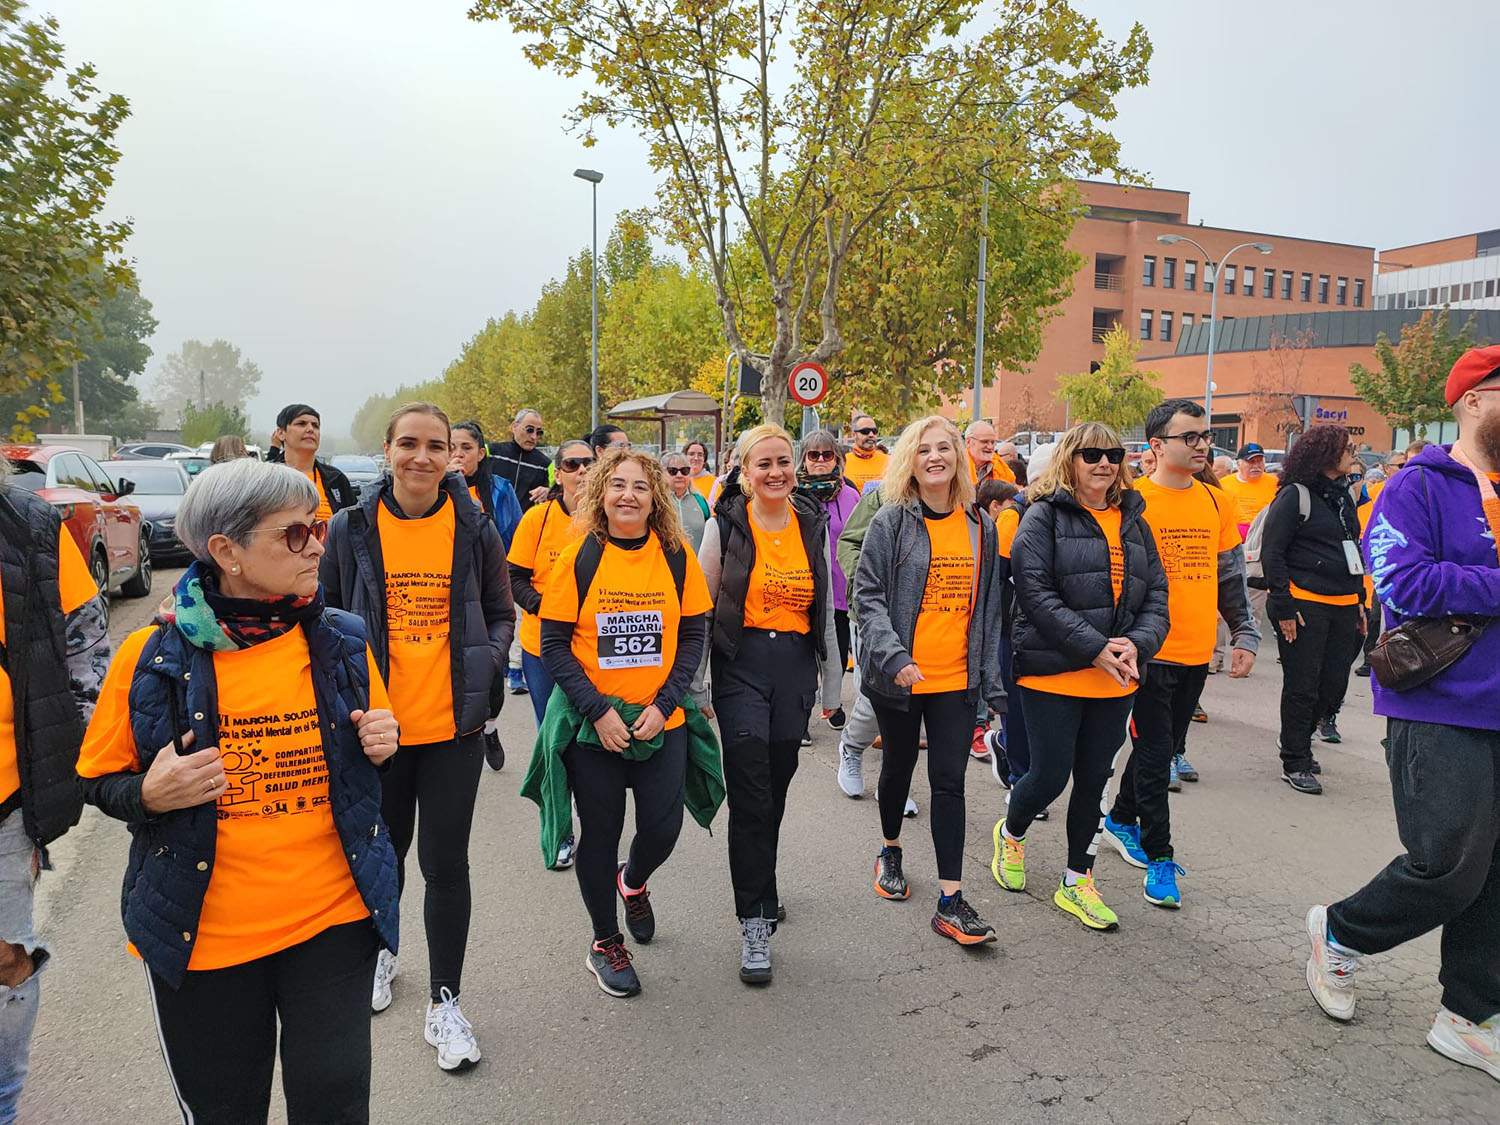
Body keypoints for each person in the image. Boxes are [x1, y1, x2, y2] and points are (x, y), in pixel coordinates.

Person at [76, 459, 399, 1121]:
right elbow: (97, 780)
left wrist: (382, 744)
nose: (318, 544)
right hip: (205, 938)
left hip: (332, 921)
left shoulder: (343, 641)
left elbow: (364, 765)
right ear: (227, 551)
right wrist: (148, 792)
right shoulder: (149, 657)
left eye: (318, 528)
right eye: (294, 535)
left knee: (336, 1108)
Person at [1305, 345, 1500, 1082]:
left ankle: (1468, 1013)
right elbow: (1404, 582)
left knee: (1498, 872)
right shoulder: (1417, 484)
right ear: (1475, 399)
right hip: (1441, 702)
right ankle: (1341, 931)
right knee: (1448, 862)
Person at [322, 403, 514, 1073]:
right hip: (375, 733)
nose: (423, 457)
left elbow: (500, 609)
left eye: (438, 445)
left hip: (451, 728)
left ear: (455, 457)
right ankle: (383, 952)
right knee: (384, 855)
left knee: (446, 863)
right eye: (410, 443)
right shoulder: (351, 528)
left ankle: (446, 1002)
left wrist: (488, 659)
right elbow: (323, 619)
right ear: (388, 449)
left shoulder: (473, 526)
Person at [533, 449, 716, 999]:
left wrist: (664, 705)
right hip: (597, 728)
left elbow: (692, 636)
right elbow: (554, 646)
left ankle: (631, 881)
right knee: (600, 833)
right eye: (617, 485)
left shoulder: (676, 555)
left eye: (640, 486)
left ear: (655, 496)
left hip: (664, 718)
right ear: (601, 494)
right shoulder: (579, 556)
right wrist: (600, 712)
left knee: (663, 828)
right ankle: (604, 941)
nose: (628, 495)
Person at [996, 424, 1169, 931]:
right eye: (1092, 454)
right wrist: (1094, 649)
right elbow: (1034, 594)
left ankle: (1077, 880)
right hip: (1053, 672)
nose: (1104, 463)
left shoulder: (1135, 521)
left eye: (1113, 454)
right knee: (1048, 777)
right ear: (1071, 459)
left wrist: (1137, 644)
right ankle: (1011, 833)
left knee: (1094, 782)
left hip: (1117, 676)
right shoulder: (1042, 516)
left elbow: (1157, 594)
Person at [853, 415, 1004, 946]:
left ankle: (951, 899)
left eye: (944, 448)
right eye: (924, 450)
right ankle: (891, 848)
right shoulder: (892, 522)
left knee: (950, 783)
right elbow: (866, 597)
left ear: (959, 457)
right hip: (899, 679)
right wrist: (894, 657)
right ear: (910, 462)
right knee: (897, 766)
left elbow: (988, 612)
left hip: (956, 681)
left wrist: (992, 686)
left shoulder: (980, 525)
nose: (935, 457)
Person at [1102, 399, 1257, 910]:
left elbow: (1229, 574)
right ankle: (1159, 855)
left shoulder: (1216, 502)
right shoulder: (1130, 499)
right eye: (1188, 437)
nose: (1201, 445)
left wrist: (1243, 634)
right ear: (1156, 446)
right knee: (1155, 754)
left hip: (1196, 651)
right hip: (1146, 652)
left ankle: (1120, 818)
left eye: (1204, 436)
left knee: (1163, 749)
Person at [700, 425, 836, 982]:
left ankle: (766, 881)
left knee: (775, 787)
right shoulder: (724, 524)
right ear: (744, 470)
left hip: (795, 667)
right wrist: (699, 686)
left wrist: (831, 685)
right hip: (742, 666)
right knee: (752, 792)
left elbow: (825, 604)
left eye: (784, 461)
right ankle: (754, 921)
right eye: (765, 464)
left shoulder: (811, 522)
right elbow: (700, 607)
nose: (776, 472)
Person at [0, 461, 109, 1124]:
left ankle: (5, 1100)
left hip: (9, 795)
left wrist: (80, 763)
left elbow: (84, 645)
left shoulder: (33, 527)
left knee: (7, 958)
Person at [1261, 425, 1367, 794]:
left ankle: (1297, 737)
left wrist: (1359, 603)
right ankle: (1296, 758)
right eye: (1347, 448)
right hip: (1303, 604)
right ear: (1325, 454)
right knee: (1302, 685)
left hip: (1344, 606)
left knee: (1333, 685)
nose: (1354, 452)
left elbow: (1354, 550)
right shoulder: (1295, 496)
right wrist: (1284, 605)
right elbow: (1272, 552)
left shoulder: (1344, 497)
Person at [507, 439, 594, 871]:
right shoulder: (538, 520)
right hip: (543, 648)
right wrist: (551, 611)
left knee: (591, 739)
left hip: (594, 651)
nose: (581, 470)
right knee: (553, 740)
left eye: (588, 464)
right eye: (572, 464)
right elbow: (516, 578)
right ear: (558, 473)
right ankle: (558, 830)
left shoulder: (607, 520)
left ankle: (595, 825)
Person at [450, 421, 523, 772]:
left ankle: (489, 727)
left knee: (491, 669)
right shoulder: (434, 488)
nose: (458, 455)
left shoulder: (499, 489)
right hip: (446, 593)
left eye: (465, 448)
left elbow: (513, 536)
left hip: (488, 591)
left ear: (481, 453)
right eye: (451, 447)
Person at [795, 430, 861, 729]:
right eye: (813, 455)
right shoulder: (794, 496)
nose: (820, 461)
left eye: (827, 455)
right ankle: (802, 719)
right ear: (804, 461)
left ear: (837, 459)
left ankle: (832, 704)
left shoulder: (851, 494)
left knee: (836, 655)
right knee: (806, 660)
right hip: (808, 592)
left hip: (842, 592)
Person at [1214, 443, 1278, 671]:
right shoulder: (1225, 485)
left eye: (1259, 460)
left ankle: (1244, 655)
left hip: (1258, 552)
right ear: (1239, 464)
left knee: (1252, 607)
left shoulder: (1274, 484)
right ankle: (1216, 656)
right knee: (1219, 606)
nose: (1256, 465)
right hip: (1229, 547)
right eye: (1251, 461)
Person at [271, 404, 359, 521]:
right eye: (301, 424)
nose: (310, 429)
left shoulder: (336, 479)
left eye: (315, 426)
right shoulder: (268, 479)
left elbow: (354, 527)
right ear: (281, 433)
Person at [491, 408, 552, 512]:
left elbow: (562, 494)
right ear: (514, 427)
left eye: (539, 432)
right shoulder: (492, 453)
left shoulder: (545, 465)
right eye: (529, 430)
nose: (534, 437)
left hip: (525, 525)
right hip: (491, 523)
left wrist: (549, 492)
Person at [662, 451, 710, 552]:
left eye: (684, 470)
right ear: (662, 473)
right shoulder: (656, 502)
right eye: (673, 471)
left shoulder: (700, 501)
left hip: (696, 565)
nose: (679, 475)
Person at [844, 413, 888, 495]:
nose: (871, 435)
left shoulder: (890, 461)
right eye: (865, 431)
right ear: (854, 435)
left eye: (874, 431)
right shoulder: (843, 462)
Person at [964, 420, 1016, 486]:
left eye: (993, 442)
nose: (990, 447)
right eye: (984, 442)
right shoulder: (957, 467)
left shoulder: (1004, 470)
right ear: (968, 442)